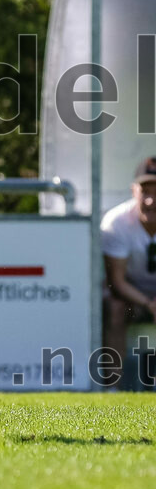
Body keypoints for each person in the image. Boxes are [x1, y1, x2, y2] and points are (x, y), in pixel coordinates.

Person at [101, 156, 156, 385]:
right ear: (134, 191)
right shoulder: (117, 222)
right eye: (145, 191)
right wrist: (149, 303)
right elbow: (117, 281)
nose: (151, 201)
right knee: (114, 308)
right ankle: (112, 388)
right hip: (133, 299)